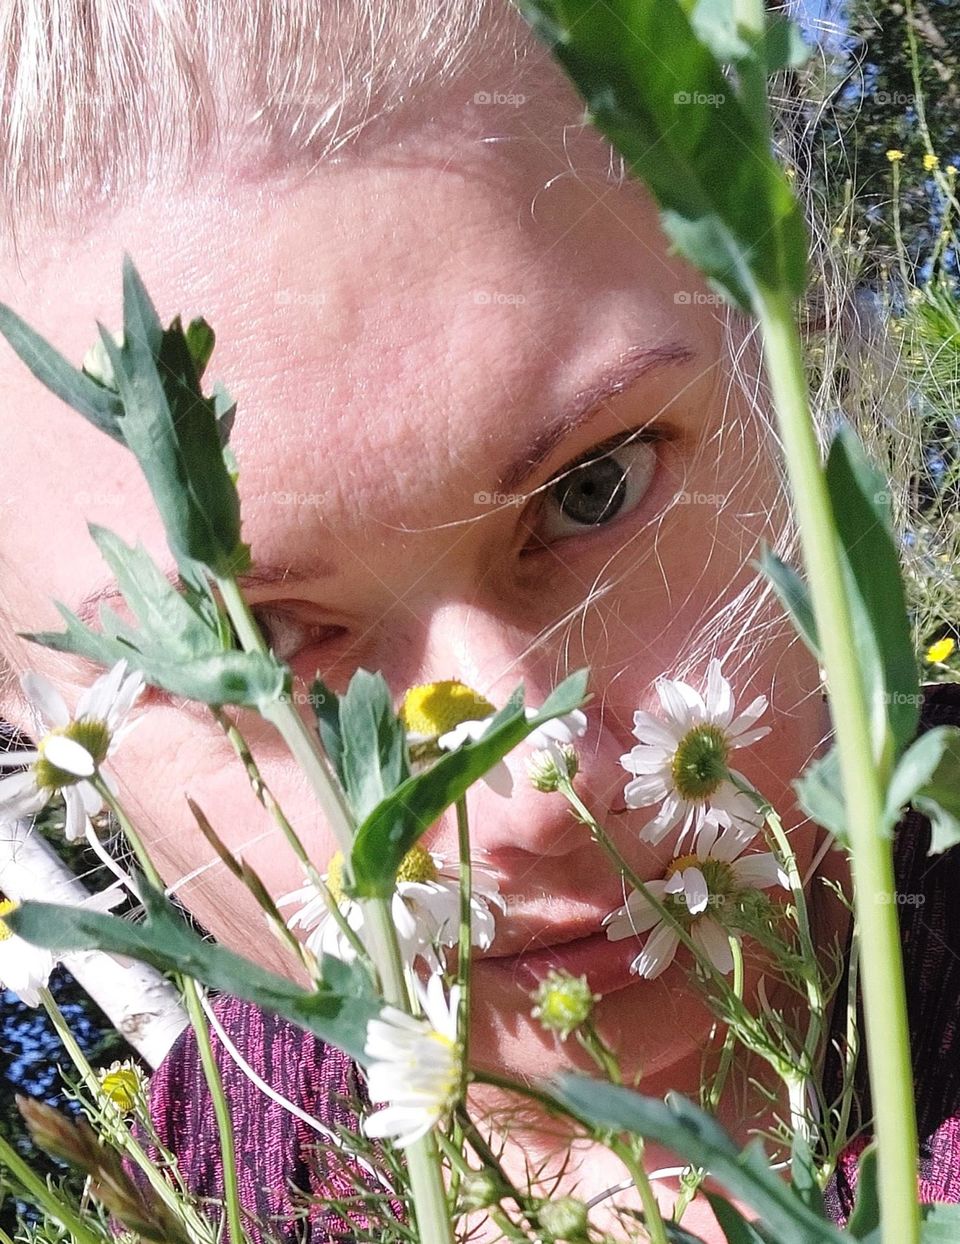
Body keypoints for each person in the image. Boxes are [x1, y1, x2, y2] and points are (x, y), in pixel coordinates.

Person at [0, 1, 954, 1241]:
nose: (535, 802)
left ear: (790, 336)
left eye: (596, 486)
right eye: (251, 642)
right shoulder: (222, 1152)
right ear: (24, 698)